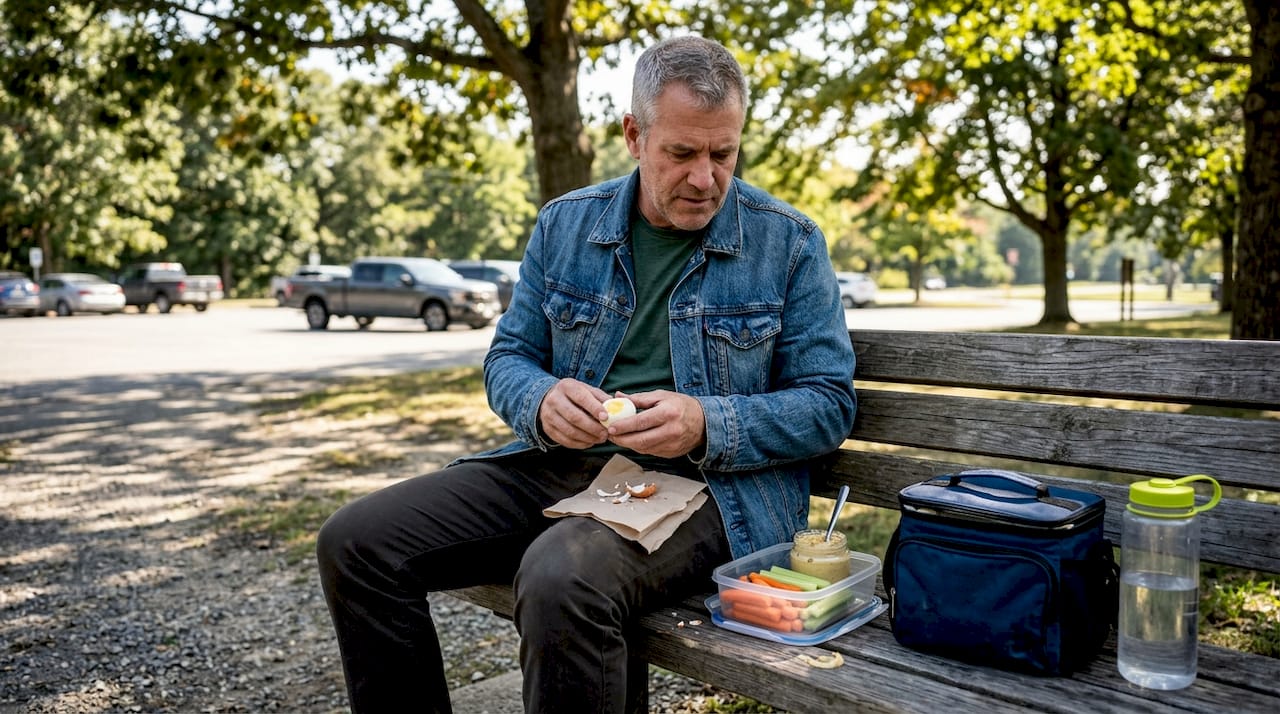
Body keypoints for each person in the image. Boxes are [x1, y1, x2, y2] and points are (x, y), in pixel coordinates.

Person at [316, 35, 856, 713]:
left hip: (712, 491)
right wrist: (540, 400)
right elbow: (508, 358)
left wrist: (704, 422)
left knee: (562, 577)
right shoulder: (566, 225)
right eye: (682, 153)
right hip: (563, 467)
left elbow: (829, 404)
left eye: (723, 153)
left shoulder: (790, 242)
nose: (704, 178)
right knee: (357, 544)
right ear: (634, 135)